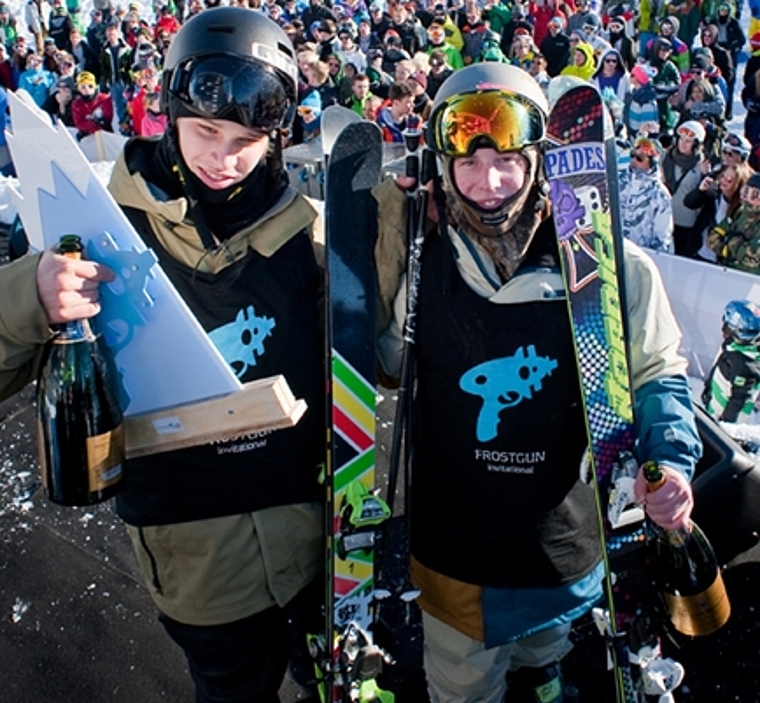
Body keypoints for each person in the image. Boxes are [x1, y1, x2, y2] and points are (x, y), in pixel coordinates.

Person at [0, 8, 324, 703]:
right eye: (206, 130)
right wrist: (30, 295)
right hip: (199, 563)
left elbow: (378, 361)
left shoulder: (310, 233)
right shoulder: (98, 226)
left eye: (246, 140)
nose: (223, 157)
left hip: (311, 546)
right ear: (170, 111)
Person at [373, 62, 701, 703]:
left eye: (507, 161)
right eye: (468, 162)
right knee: (467, 687)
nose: (489, 184)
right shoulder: (424, 261)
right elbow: (381, 364)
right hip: (458, 548)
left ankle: (541, 675)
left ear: (538, 159)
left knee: (543, 653)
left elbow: (657, 369)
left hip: (561, 540)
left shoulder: (605, 267)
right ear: (444, 163)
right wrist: (389, 225)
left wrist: (668, 456)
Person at [703, 299, 760, 424]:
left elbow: (740, 399)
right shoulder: (734, 345)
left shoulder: (746, 365)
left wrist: (724, 426)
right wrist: (708, 389)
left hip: (722, 420)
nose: (723, 331)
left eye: (727, 328)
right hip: (714, 403)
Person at [662, 121, 711, 257]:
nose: (683, 144)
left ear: (696, 144)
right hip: (665, 217)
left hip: (685, 222)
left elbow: (704, 196)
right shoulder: (667, 157)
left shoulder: (701, 165)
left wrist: (704, 175)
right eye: (681, 139)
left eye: (688, 141)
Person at [619, 135, 674, 251]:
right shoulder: (619, 181)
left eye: (640, 158)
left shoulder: (660, 194)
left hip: (641, 255)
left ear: (653, 162)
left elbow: (662, 237)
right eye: (633, 155)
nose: (634, 161)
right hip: (615, 251)